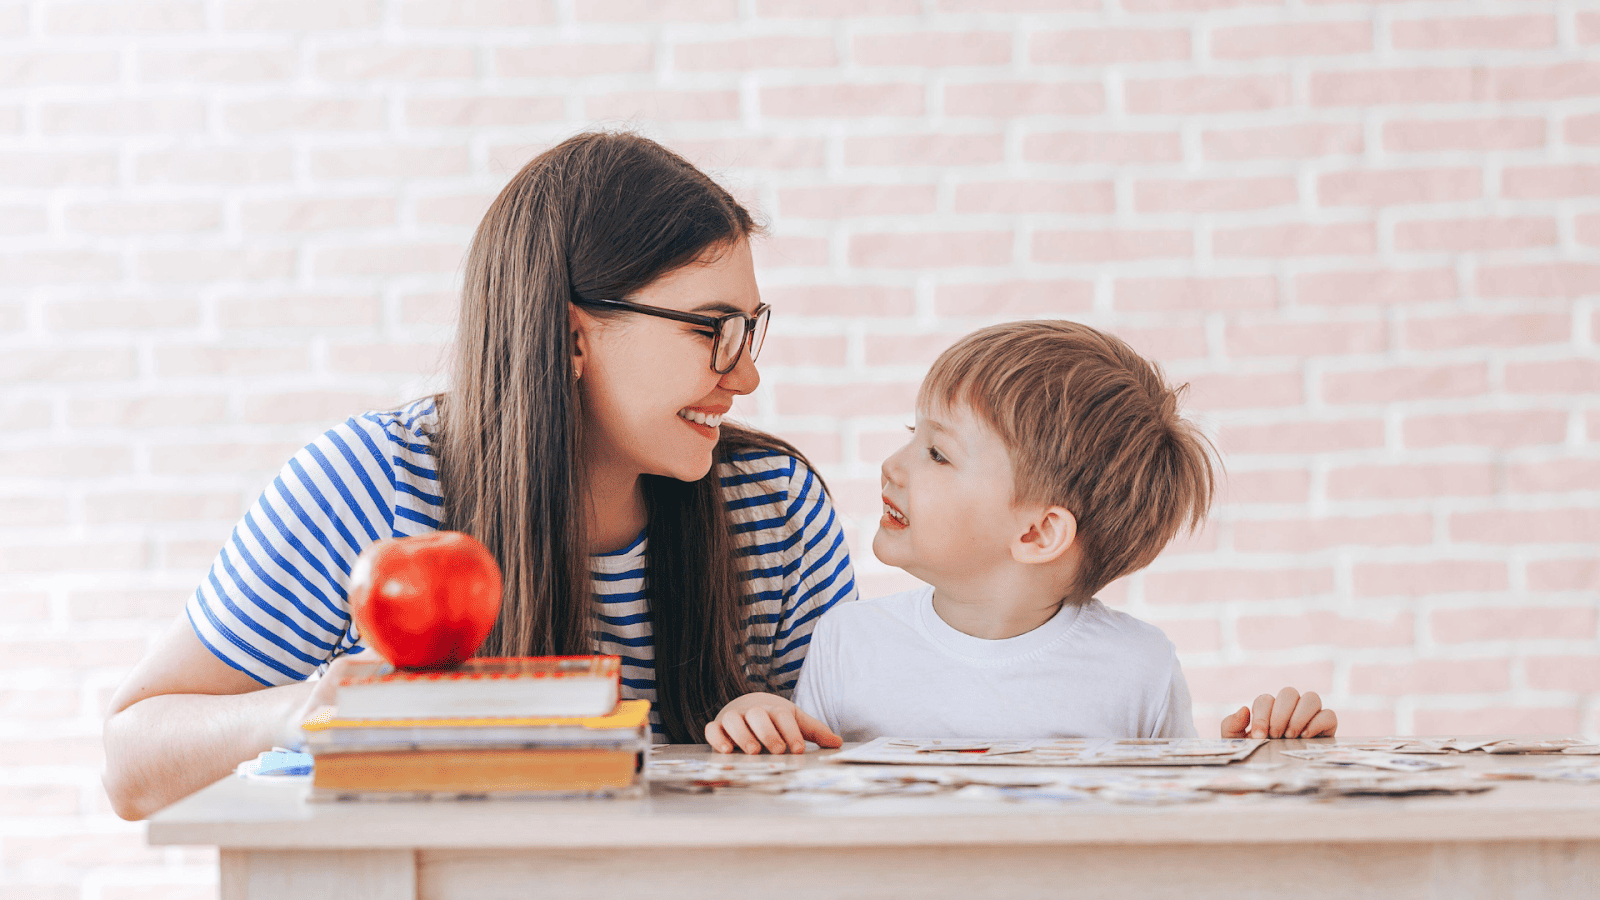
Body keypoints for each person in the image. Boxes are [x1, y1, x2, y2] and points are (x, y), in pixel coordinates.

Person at [102, 132, 856, 819]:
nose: (747, 375)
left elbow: (871, 780)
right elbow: (130, 765)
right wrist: (306, 712)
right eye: (711, 330)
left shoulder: (776, 508)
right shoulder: (371, 482)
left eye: (749, 330)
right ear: (569, 336)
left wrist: (779, 719)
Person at [786, 321, 1336, 745]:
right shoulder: (847, 643)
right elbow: (796, 813)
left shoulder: (1139, 668)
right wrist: (757, 734)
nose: (892, 465)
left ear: (1037, 534)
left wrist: (1253, 768)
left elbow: (1166, 837)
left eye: (937, 453)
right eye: (913, 435)